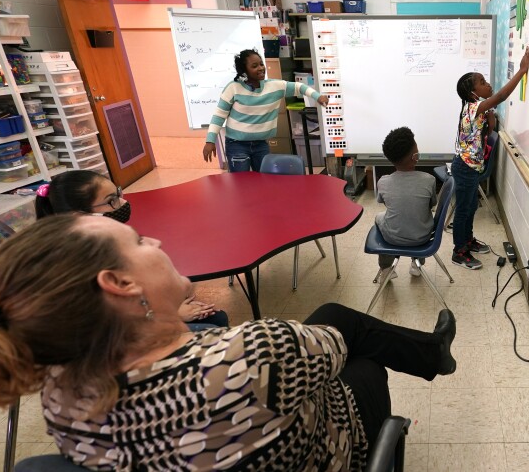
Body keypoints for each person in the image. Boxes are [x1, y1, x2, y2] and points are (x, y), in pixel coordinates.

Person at [0, 214, 457, 470]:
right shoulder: (255, 355)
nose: (156, 244)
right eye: (139, 242)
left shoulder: (57, 395)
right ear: (120, 285)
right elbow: (328, 348)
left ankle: (432, 353)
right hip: (321, 450)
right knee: (360, 353)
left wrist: (166, 320)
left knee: (335, 322)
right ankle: (432, 355)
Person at [35, 170, 228, 331]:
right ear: (79, 215)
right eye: (112, 200)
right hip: (123, 332)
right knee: (214, 324)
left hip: (145, 313)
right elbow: (110, 323)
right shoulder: (81, 262)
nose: (123, 203)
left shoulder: (100, 239)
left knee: (218, 318)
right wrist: (172, 315)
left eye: (119, 194)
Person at [451, 48, 529, 270]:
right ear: (473, 93)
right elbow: (502, 96)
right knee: (464, 210)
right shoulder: (473, 108)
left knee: (472, 206)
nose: (488, 85)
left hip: (472, 166)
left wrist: (491, 116)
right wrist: (522, 71)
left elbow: (490, 128)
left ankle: (468, 240)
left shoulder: (478, 109)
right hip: (465, 167)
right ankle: (459, 251)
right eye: (483, 82)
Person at [202, 49, 330, 172]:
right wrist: (210, 140)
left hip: (261, 144)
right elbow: (219, 115)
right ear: (244, 71)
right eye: (254, 66)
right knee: (241, 184)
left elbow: (299, 87)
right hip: (237, 144)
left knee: (265, 181)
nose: (261, 68)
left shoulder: (274, 86)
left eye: (261, 64)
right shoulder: (233, 88)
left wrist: (317, 96)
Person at [375, 127, 438, 276]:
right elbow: (432, 204)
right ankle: (416, 265)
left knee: (378, 216)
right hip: (423, 237)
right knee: (419, 215)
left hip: (392, 238)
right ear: (415, 156)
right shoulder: (429, 180)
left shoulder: (383, 182)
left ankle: (385, 269)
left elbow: (384, 203)